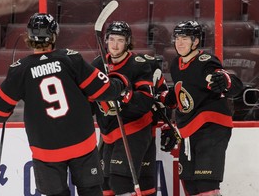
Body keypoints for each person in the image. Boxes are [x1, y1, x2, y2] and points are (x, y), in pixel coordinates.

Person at [0, 13, 132, 196]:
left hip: (46, 150)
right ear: (54, 35)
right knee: (91, 191)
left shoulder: (20, 69)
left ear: (29, 37)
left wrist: (2, 99)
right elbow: (104, 91)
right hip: (82, 143)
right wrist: (121, 84)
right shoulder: (70, 59)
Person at [158, 20, 243, 196]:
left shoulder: (206, 62)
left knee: (207, 187)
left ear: (195, 42)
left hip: (211, 128)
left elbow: (232, 84)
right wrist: (164, 98)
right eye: (177, 38)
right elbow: (184, 92)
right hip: (188, 131)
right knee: (191, 186)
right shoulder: (176, 64)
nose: (179, 43)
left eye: (185, 39)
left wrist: (225, 81)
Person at [91, 21, 156, 196]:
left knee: (120, 181)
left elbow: (146, 100)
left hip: (134, 129)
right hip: (108, 132)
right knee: (105, 186)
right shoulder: (98, 64)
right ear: (106, 41)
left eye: (120, 40)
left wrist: (124, 95)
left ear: (127, 42)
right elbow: (90, 100)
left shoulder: (138, 63)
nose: (115, 45)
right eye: (112, 39)